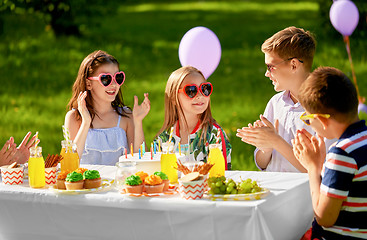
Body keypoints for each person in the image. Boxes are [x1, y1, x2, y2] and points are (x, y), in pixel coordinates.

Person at [236, 26, 331, 172]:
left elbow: (320, 171)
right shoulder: (275, 103)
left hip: (305, 193)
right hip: (275, 190)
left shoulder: (322, 108)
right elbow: (262, 164)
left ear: (293, 65)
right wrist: (266, 148)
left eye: (270, 67)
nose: (267, 74)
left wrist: (276, 141)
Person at [293, 67, 367, 240]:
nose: (309, 124)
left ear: (322, 120)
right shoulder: (362, 140)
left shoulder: (342, 153)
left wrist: (313, 167)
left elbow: (324, 218)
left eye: (308, 119)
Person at [64, 50, 150, 165]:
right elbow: (70, 163)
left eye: (118, 78)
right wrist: (86, 123)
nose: (114, 84)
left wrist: (138, 122)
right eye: (106, 79)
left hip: (119, 181)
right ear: (89, 84)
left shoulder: (126, 116)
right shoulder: (74, 118)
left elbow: (141, 160)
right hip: (85, 182)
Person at [155, 66, 232, 169]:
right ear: (173, 97)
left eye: (205, 89)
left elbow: (223, 175)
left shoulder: (214, 134)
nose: (200, 95)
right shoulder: (165, 138)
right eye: (191, 90)